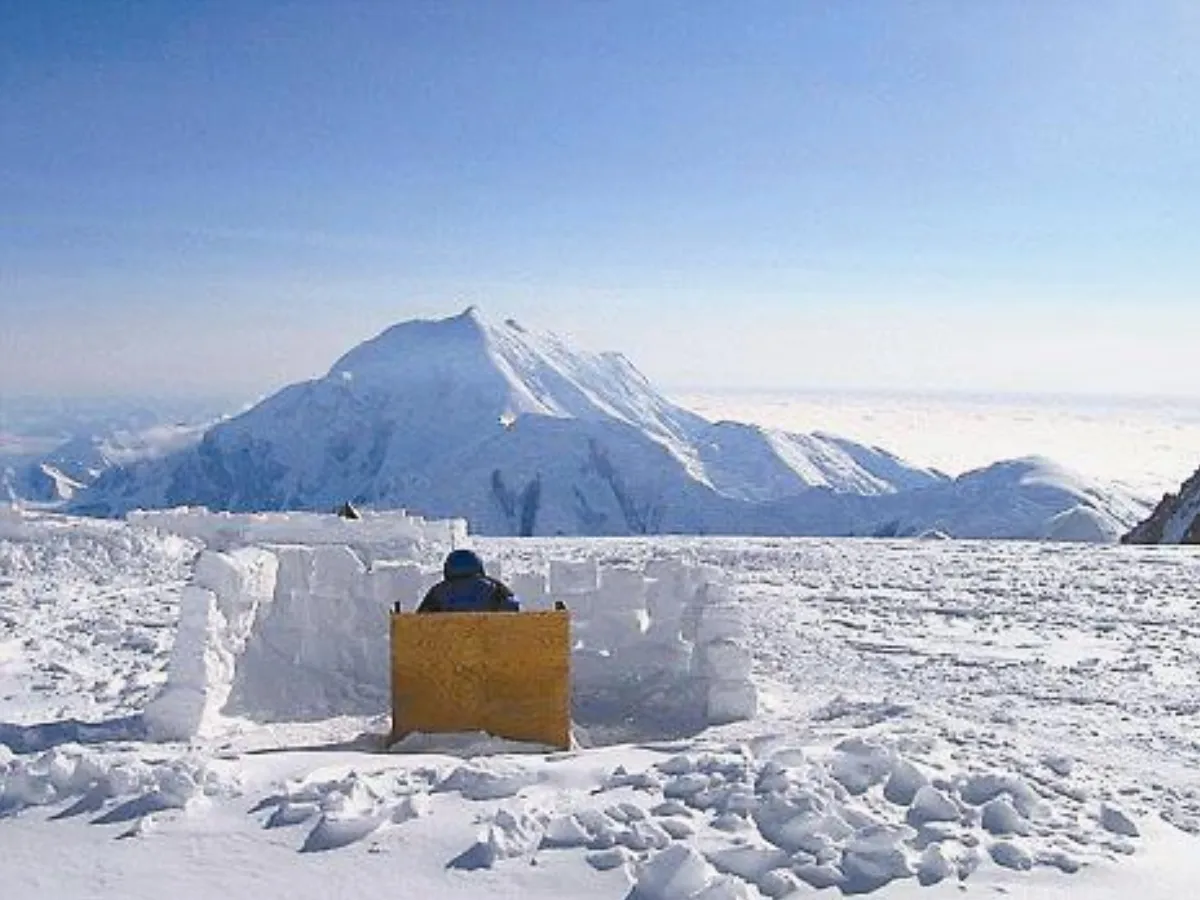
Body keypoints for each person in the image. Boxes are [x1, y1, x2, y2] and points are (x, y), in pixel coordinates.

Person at [416, 549, 520, 613]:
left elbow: (419, 622)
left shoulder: (437, 591)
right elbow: (513, 609)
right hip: (488, 645)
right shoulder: (495, 587)